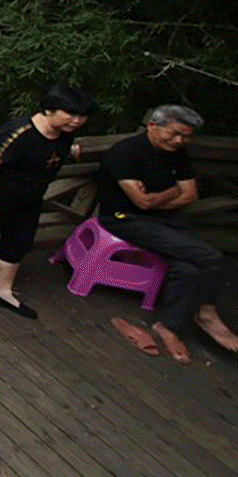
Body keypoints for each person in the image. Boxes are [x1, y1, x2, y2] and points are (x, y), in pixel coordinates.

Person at [97, 104, 238, 364]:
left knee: (189, 270)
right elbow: (143, 203)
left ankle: (167, 327)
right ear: (153, 125)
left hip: (165, 221)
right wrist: (173, 191)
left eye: (185, 136)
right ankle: (207, 313)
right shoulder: (124, 153)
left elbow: (191, 195)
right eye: (174, 134)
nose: (179, 140)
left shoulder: (177, 153)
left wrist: (164, 196)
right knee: (213, 258)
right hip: (125, 219)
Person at [0, 85, 94, 318]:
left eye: (81, 116)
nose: (76, 121)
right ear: (49, 110)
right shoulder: (19, 132)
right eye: (70, 114)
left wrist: (71, 149)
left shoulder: (65, 133)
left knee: (19, 241)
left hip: (31, 197)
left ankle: (2, 290)